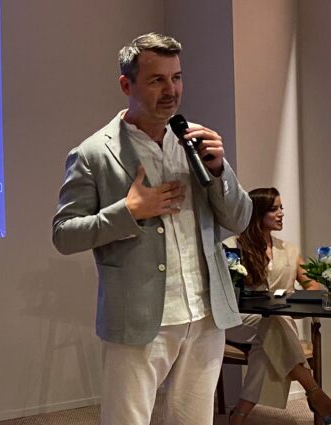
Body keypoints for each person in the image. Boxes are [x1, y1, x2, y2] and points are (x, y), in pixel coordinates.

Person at [52, 32, 253, 425]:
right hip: (139, 317)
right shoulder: (93, 154)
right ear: (126, 85)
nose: (171, 90)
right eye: (157, 80)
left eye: (176, 77)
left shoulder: (197, 141)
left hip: (205, 313)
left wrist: (219, 172)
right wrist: (128, 211)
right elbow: (64, 233)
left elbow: (240, 219)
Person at [223, 187, 331, 424]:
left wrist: (302, 304)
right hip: (237, 322)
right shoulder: (232, 246)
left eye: (281, 207)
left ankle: (238, 415)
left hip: (274, 324)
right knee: (273, 325)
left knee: (267, 339)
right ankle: (315, 392)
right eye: (274, 209)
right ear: (257, 213)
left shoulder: (289, 250)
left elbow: (312, 286)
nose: (281, 213)